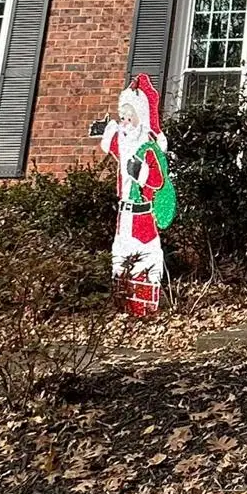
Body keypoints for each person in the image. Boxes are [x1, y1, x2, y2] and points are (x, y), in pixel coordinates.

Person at [100, 73, 172, 315]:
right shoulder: (125, 143)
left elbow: (157, 180)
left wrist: (140, 172)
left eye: (129, 118)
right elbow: (111, 144)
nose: (125, 123)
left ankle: (145, 303)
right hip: (124, 215)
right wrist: (109, 129)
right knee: (120, 256)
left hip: (142, 214)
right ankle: (123, 301)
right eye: (123, 118)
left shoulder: (148, 149)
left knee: (145, 255)